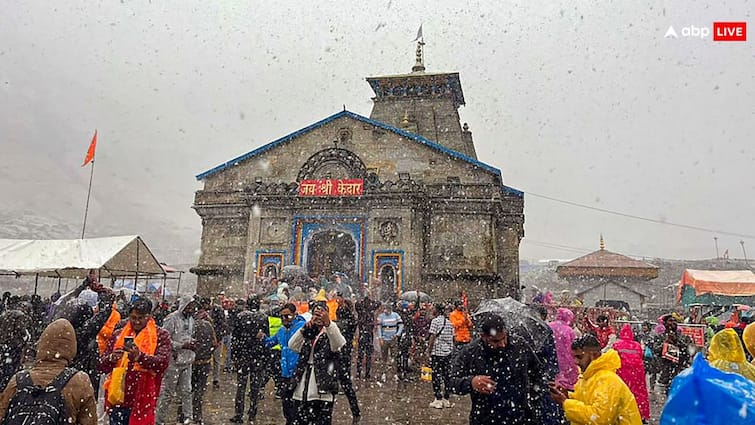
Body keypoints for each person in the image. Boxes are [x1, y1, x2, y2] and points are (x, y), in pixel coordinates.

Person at [0, 318, 96, 425]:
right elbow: (89, 421)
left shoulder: (18, 379)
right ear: (72, 348)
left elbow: (2, 414)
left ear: (41, 344)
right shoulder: (79, 380)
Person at [450, 314, 538, 424]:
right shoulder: (471, 352)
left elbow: (538, 372)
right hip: (485, 418)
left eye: (504, 338)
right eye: (495, 341)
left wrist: (534, 400)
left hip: (521, 417)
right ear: (483, 337)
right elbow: (452, 382)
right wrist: (471, 382)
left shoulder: (520, 346)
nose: (502, 344)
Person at [100, 297, 172, 425]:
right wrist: (111, 358)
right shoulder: (118, 335)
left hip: (143, 398)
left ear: (149, 316)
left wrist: (140, 357)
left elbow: (163, 363)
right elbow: (102, 365)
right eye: (133, 318)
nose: (137, 322)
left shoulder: (160, 335)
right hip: (119, 397)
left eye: (141, 318)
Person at [548, 335, 642, 425]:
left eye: (580, 357)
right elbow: (587, 400)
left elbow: (599, 418)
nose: (576, 362)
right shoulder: (588, 376)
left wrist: (566, 403)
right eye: (574, 357)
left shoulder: (607, 380)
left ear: (594, 355)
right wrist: (567, 395)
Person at [288, 299, 346, 425]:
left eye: (321, 314)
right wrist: (303, 330)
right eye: (315, 314)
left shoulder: (331, 330)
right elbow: (292, 345)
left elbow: (338, 345)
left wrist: (328, 324)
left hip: (323, 386)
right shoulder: (309, 331)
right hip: (303, 385)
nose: (318, 317)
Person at [261, 303, 306, 425]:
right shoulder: (281, 330)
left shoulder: (302, 327)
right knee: (286, 404)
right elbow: (271, 342)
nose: (285, 319)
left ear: (294, 315)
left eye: (288, 316)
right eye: (282, 317)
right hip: (285, 372)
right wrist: (263, 338)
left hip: (299, 372)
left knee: (297, 405)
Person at [156, 296, 198, 425]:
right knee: (168, 393)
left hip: (187, 360)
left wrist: (192, 343)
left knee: (186, 391)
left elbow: (188, 335)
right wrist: (180, 346)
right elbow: (164, 339)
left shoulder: (191, 320)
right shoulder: (171, 319)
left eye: (193, 307)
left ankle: (188, 418)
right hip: (173, 361)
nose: (191, 309)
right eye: (189, 306)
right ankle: (159, 420)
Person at [229, 296, 269, 424]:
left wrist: (235, 356)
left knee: (241, 387)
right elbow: (266, 338)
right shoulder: (263, 317)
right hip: (258, 357)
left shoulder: (241, 316)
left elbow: (235, 338)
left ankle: (238, 414)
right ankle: (252, 413)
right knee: (255, 387)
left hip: (243, 356)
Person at [613, 324, 650, 421]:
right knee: (639, 393)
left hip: (622, 371)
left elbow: (613, 358)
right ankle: (641, 414)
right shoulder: (637, 345)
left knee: (623, 393)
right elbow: (641, 356)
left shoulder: (616, 344)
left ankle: (623, 415)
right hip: (637, 372)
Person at [189, 305, 218, 425]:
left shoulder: (190, 326)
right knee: (199, 391)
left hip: (191, 362)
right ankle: (197, 415)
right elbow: (215, 343)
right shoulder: (208, 325)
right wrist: (208, 353)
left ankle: (184, 414)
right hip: (205, 363)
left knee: (187, 390)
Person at [652, 314, 693, 395]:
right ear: (665, 323)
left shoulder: (682, 336)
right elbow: (656, 350)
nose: (673, 323)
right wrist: (665, 343)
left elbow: (688, 351)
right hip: (665, 370)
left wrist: (677, 341)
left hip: (679, 369)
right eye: (670, 321)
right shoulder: (660, 337)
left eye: (675, 321)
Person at [334, 293, 360, 419]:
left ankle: (344, 385)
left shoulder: (347, 312)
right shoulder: (340, 310)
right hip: (342, 343)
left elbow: (350, 325)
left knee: (345, 367)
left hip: (345, 343)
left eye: (338, 299)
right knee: (342, 366)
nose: (337, 301)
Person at [427, 303, 454, 409]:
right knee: (447, 375)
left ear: (437, 311)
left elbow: (432, 337)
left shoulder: (435, 322)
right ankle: (446, 398)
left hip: (437, 353)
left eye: (433, 309)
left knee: (436, 375)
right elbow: (452, 339)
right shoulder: (449, 323)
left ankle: (438, 399)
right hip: (447, 353)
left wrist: (429, 351)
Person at [0, 307, 31, 390]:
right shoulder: (20, 316)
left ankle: (3, 382)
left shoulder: (5, 315)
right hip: (14, 344)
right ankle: (9, 384)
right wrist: (26, 336)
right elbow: (21, 329)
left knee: (4, 363)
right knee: (13, 365)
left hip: (4, 342)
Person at [549, 307, 578, 389]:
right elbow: (574, 347)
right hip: (566, 360)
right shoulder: (569, 331)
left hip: (551, 357)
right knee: (566, 382)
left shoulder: (549, 326)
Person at [354, 291, 381, 380]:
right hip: (368, 333)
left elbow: (356, 304)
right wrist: (372, 296)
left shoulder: (360, 308)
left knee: (361, 354)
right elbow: (378, 303)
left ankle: (359, 373)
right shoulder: (371, 307)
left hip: (364, 333)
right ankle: (367, 374)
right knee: (368, 354)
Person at [376, 303, 403, 380]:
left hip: (393, 339)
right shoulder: (381, 316)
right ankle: (383, 373)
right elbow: (379, 327)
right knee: (384, 357)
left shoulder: (396, 315)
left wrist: (398, 334)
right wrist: (380, 337)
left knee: (394, 357)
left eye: (388, 309)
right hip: (385, 339)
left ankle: (394, 373)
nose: (386, 311)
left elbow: (401, 325)